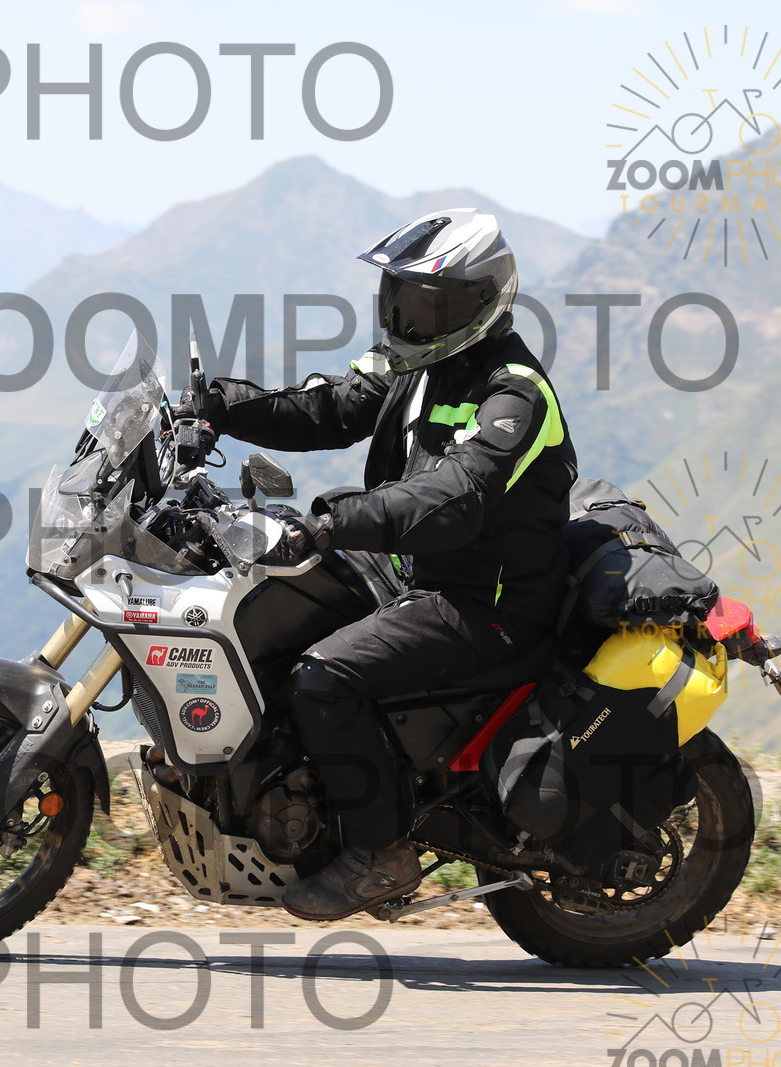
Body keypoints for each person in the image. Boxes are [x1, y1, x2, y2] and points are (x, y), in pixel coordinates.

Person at [195, 209, 578, 919]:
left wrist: (333, 522)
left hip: (487, 604)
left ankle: (380, 854)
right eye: (402, 299)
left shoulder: (516, 396)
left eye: (430, 304)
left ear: (481, 301)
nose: (409, 318)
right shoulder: (417, 365)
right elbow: (326, 406)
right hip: (418, 576)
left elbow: (453, 497)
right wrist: (214, 407)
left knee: (322, 678)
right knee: (273, 613)